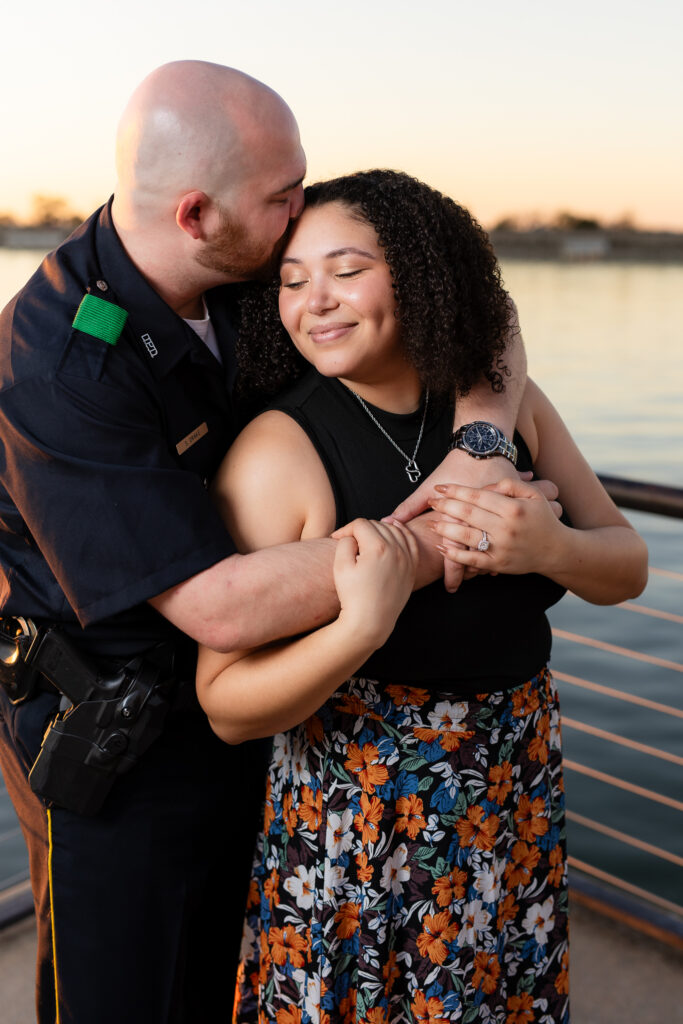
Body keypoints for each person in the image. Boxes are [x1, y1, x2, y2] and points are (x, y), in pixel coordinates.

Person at [0, 64, 528, 1024]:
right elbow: (217, 602)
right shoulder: (56, 365)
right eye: (284, 195)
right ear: (196, 213)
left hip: (265, 702)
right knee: (120, 994)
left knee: (227, 981)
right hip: (117, 743)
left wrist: (481, 442)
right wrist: (443, 526)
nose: (302, 214)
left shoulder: (252, 269)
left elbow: (481, 311)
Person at [195, 170, 649, 1024]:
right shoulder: (278, 452)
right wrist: (357, 628)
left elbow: (626, 565)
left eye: (345, 269)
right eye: (292, 280)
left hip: (512, 788)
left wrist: (550, 548)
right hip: (363, 820)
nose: (314, 301)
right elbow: (225, 705)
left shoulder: (506, 410)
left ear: (417, 271)